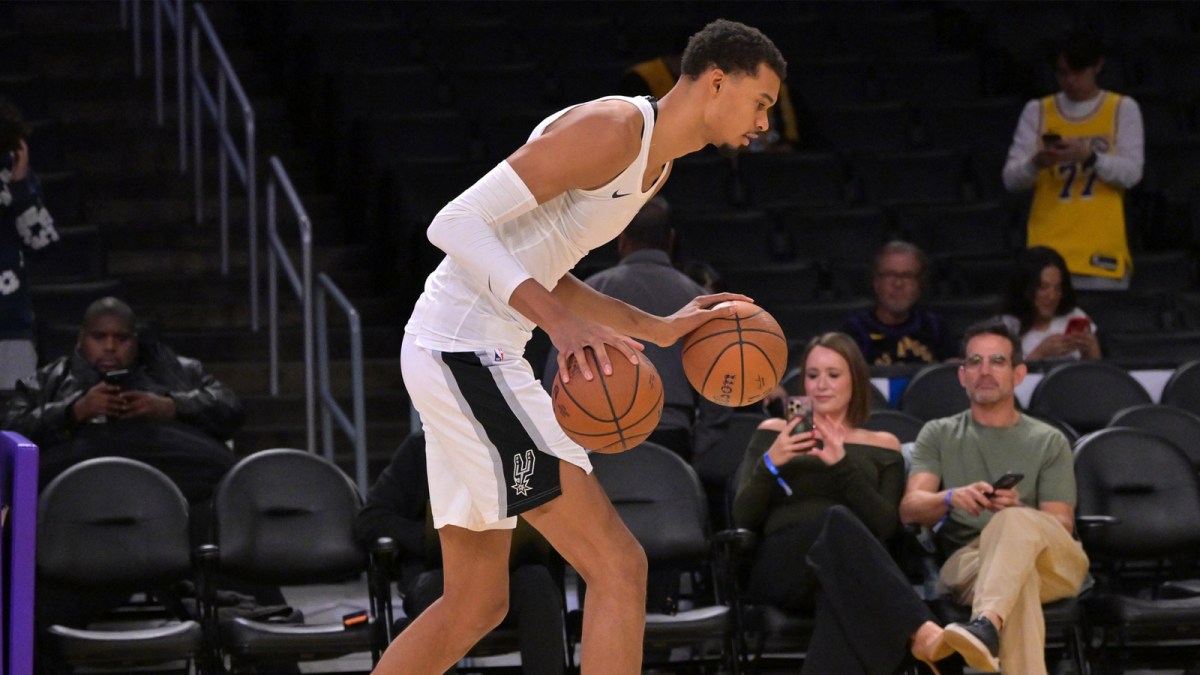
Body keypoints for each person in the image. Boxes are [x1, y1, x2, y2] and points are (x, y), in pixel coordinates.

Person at [384, 19, 786, 675]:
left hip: (468, 352)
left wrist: (653, 327)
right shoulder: (614, 130)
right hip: (466, 352)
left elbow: (542, 262)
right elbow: (452, 223)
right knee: (619, 564)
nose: (765, 122)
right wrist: (559, 326)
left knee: (476, 602)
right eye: (761, 102)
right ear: (717, 80)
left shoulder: (655, 165)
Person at [733, 332, 962, 674]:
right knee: (835, 520)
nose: (821, 385)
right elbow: (743, 517)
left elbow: (885, 525)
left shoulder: (884, 445)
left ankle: (925, 639)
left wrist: (841, 463)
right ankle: (922, 630)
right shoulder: (774, 432)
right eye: (813, 375)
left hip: (848, 569)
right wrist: (771, 463)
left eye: (833, 374)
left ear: (855, 380)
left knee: (840, 593)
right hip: (784, 566)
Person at [899, 318, 1089, 674]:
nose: (984, 371)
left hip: (1051, 560)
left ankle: (986, 623)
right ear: (961, 375)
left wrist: (1017, 512)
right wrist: (950, 497)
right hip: (969, 563)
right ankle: (989, 621)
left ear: (1018, 374)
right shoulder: (937, 434)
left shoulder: (1048, 440)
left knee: (1013, 524)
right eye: (975, 362)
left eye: (997, 361)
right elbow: (911, 508)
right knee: (1018, 581)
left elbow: (1062, 523)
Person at [355, 431, 567, 674]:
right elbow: (370, 519)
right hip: (437, 572)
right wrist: (433, 537)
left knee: (537, 580)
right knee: (438, 589)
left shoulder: (520, 443)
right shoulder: (421, 448)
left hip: (514, 575)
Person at [542, 196, 732, 463]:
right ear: (671, 239)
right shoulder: (697, 298)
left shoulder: (590, 291)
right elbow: (722, 385)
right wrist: (697, 445)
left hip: (599, 437)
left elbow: (558, 376)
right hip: (672, 436)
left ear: (621, 239)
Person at [2, 296, 241, 504]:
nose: (109, 347)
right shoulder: (48, 381)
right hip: (70, 500)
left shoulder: (177, 371)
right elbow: (10, 428)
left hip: (173, 494)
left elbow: (230, 407)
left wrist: (172, 406)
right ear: (81, 339)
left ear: (135, 341)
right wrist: (74, 411)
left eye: (121, 338)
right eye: (99, 337)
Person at [1002, 30, 1144, 291]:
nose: (1069, 81)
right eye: (1062, 73)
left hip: (1100, 251)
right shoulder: (1037, 110)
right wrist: (1036, 163)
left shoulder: (1122, 108)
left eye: (1077, 72)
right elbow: (1011, 179)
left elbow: (1131, 174)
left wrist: (1089, 157)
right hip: (1047, 250)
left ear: (1097, 65)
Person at [0, 100, 58, 389]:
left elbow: (43, 245)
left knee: (16, 424)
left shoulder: (18, 181)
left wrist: (20, 187)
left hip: (11, 324)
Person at [841, 241, 957, 365]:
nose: (898, 284)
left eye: (907, 276)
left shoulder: (935, 327)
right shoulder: (854, 331)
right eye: (890, 275)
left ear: (920, 284)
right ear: (876, 282)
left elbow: (953, 374)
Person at [997, 245, 1101, 362]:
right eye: (1043, 287)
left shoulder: (1075, 315)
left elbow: (1095, 374)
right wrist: (1040, 353)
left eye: (1058, 288)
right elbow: (1003, 376)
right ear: (1026, 289)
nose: (1052, 296)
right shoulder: (1006, 326)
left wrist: (1092, 349)